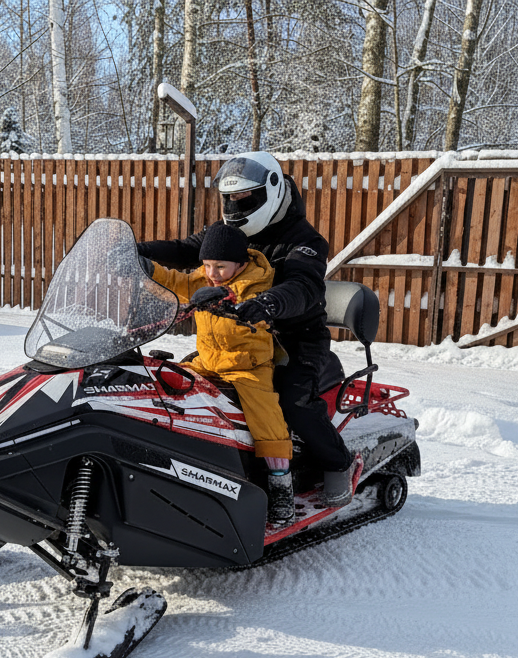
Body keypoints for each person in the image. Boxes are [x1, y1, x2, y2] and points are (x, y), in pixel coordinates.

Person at [138, 151, 357, 508]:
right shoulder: (228, 234)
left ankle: (337, 463)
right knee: (188, 387)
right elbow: (185, 251)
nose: (236, 208)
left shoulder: (304, 240)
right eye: (229, 201)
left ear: (270, 192)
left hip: (294, 338)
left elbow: (305, 287)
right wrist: (136, 251)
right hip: (235, 337)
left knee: (293, 404)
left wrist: (267, 303)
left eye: (245, 200)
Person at [147, 222, 296, 524]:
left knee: (266, 420)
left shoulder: (256, 284)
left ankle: (281, 483)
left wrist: (241, 307)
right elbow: (177, 280)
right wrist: (148, 268)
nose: (212, 273)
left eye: (220, 266)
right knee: (164, 384)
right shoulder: (203, 278)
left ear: (240, 264)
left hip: (247, 367)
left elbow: (258, 306)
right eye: (207, 265)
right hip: (208, 361)